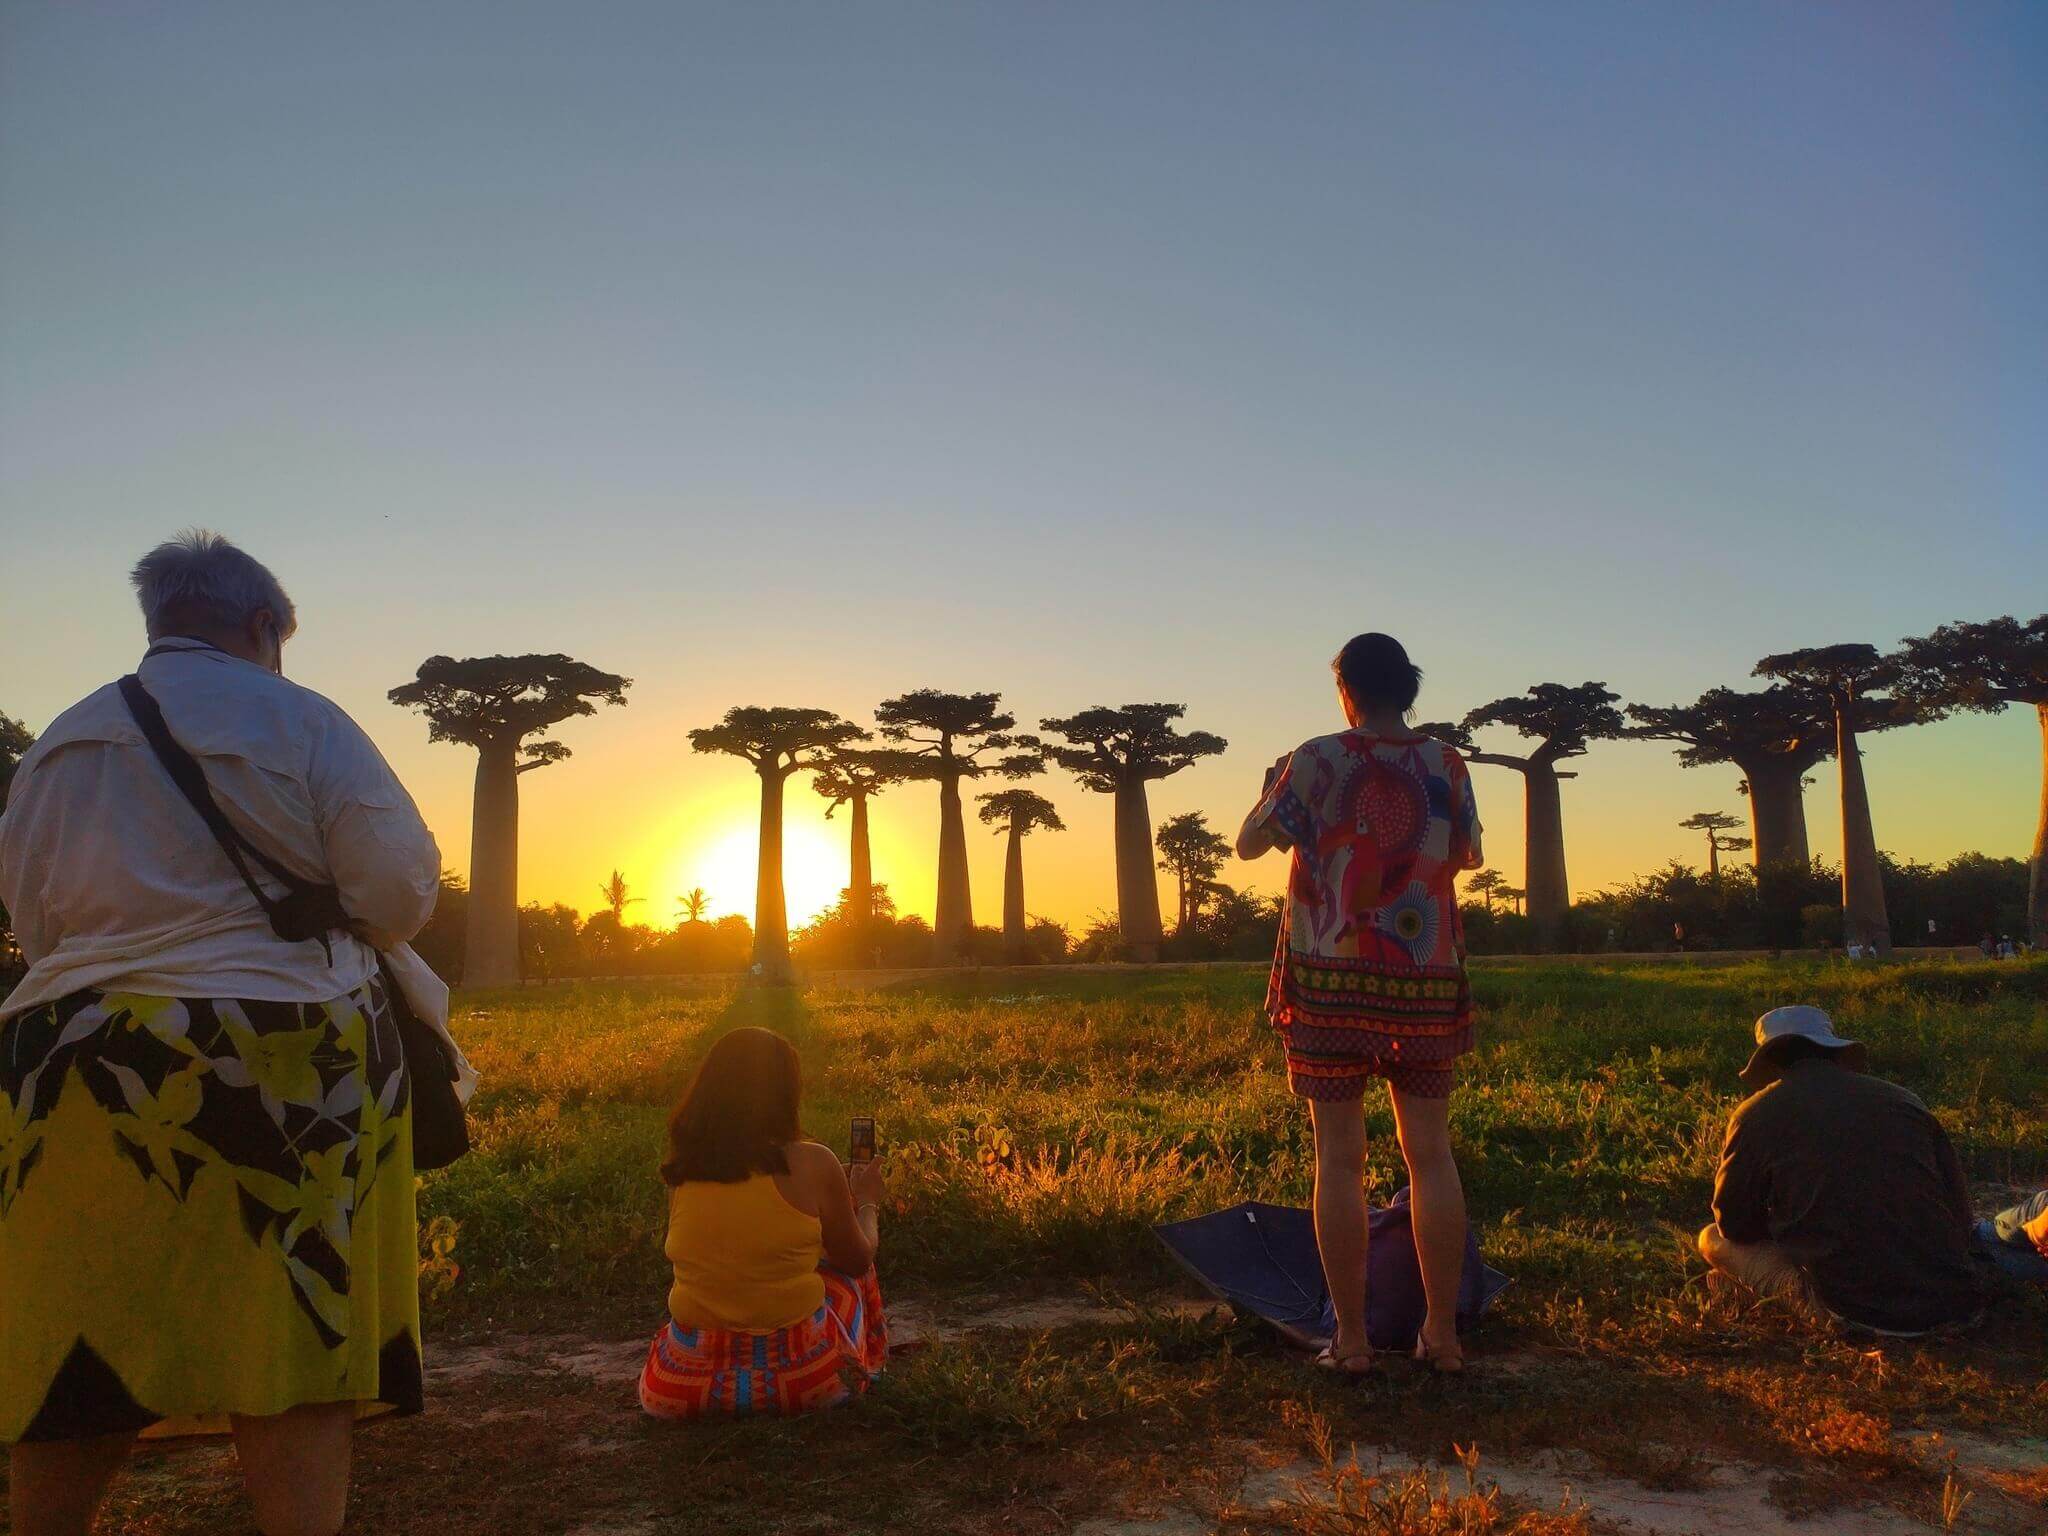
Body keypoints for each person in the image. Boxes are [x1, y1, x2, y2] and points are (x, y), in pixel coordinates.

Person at [0, 532, 441, 1536]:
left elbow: (30, 919)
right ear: (262, 628)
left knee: (78, 1341)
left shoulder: (58, 744)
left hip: (63, 1062)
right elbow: (397, 891)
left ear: (157, 622)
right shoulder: (304, 721)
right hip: (281, 1053)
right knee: (294, 1344)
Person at [1236, 633, 1484, 1376]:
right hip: (1424, 979)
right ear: (1407, 688)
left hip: (1330, 980)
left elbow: (1250, 843)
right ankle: (1440, 1336)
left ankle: (1349, 1341)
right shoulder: (1446, 762)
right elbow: (1465, 853)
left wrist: (1274, 786)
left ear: (1345, 688)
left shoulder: (1313, 759)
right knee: (1430, 1155)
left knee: (1339, 1162)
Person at [640, 1027, 890, 1418]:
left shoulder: (683, 1169)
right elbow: (856, 1259)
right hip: (807, 1381)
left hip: (678, 1388)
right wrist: (868, 1203)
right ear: (785, 1096)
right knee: (850, 1280)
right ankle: (870, 1361)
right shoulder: (813, 1162)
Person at [1697, 1006, 1980, 1336]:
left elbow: (1733, 1225)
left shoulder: (1755, 1113)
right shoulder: (1905, 1100)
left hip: (1858, 1312)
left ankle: (1809, 1306)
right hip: (1956, 1302)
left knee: (1711, 1238)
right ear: (1833, 1051)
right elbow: (1961, 1216)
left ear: (1770, 1061)